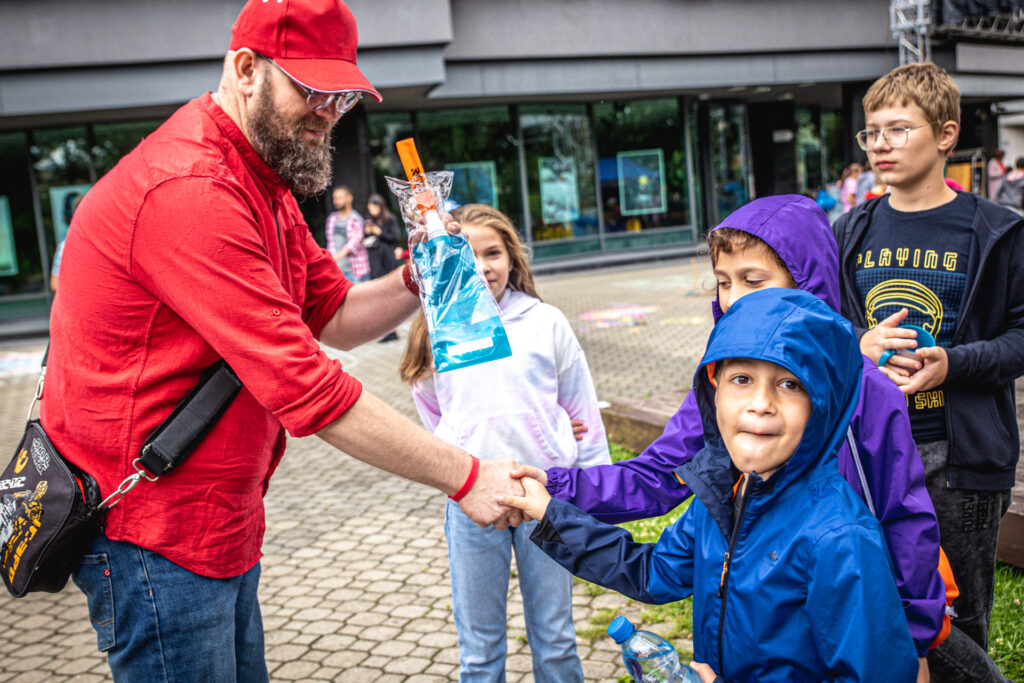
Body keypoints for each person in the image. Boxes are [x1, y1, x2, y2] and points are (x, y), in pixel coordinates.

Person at [41, 2, 525, 680]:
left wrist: (414, 278)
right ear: (246, 69)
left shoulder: (262, 183)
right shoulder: (191, 190)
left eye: (343, 96)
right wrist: (466, 475)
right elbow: (308, 387)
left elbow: (329, 311)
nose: (329, 111)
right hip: (154, 535)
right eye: (312, 90)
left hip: (220, 523)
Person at [504, 288, 920, 682]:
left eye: (790, 384)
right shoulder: (723, 495)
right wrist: (549, 513)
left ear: (823, 406)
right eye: (742, 379)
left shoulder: (839, 539)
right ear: (714, 391)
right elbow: (653, 572)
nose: (761, 403)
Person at [835, 61, 1024, 681]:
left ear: (945, 135)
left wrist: (952, 365)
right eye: (871, 133)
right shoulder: (849, 231)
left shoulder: (998, 231)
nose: (880, 146)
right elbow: (822, 330)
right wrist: (857, 343)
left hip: (961, 456)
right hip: (870, 449)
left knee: (960, 618)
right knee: (881, 603)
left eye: (898, 129)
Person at [399, 204, 610, 682]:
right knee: (479, 648)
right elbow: (433, 406)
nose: (481, 265)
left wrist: (595, 487)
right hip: (472, 499)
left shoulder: (546, 321)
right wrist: (459, 451)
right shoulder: (440, 328)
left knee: (555, 640)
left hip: (544, 496)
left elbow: (582, 408)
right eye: (467, 254)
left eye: (492, 252)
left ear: (512, 257)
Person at [325, 184, 369, 282]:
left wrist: (336, 257)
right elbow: (330, 243)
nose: (336, 201)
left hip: (355, 272)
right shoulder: (331, 219)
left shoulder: (356, 219)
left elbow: (354, 243)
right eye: (334, 198)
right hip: (337, 271)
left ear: (349, 198)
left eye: (339, 198)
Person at [364, 193, 401, 280]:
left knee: (391, 280)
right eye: (370, 208)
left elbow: (394, 238)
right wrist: (366, 232)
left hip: (388, 256)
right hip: (375, 257)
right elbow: (366, 240)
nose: (372, 211)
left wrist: (379, 232)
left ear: (380, 206)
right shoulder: (369, 220)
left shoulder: (390, 219)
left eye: (374, 207)